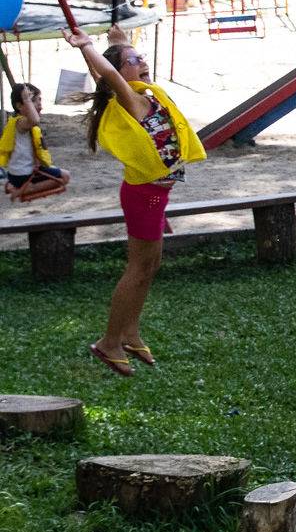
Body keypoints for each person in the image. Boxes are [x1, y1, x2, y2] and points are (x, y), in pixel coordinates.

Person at [68, 30, 205, 376]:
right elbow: (110, 75)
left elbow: (107, 74)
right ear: (121, 74)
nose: (142, 62)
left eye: (141, 57)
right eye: (134, 60)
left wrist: (120, 40)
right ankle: (109, 341)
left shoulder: (146, 94)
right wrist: (87, 46)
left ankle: (129, 331)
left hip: (156, 195)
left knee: (151, 265)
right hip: (144, 196)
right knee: (139, 268)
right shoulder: (131, 101)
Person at [2, 81, 67, 201]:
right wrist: (27, 100)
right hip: (23, 175)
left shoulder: (21, 122)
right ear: (20, 106)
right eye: (34, 101)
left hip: (18, 173)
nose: (39, 105)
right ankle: (23, 190)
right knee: (65, 177)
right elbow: (35, 120)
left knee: (58, 171)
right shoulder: (20, 123)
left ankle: (16, 186)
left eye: (40, 100)